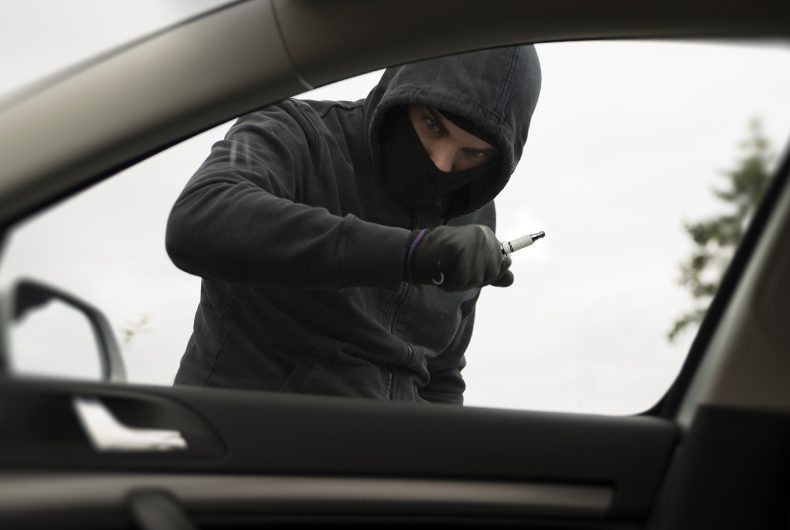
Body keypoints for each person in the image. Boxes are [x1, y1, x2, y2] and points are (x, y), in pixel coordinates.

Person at [166, 45, 541, 404]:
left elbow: (441, 376)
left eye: (473, 153)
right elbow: (200, 218)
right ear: (403, 91)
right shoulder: (289, 129)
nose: (442, 163)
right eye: (433, 125)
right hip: (242, 436)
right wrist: (410, 255)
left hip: (383, 447)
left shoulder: (474, 214)